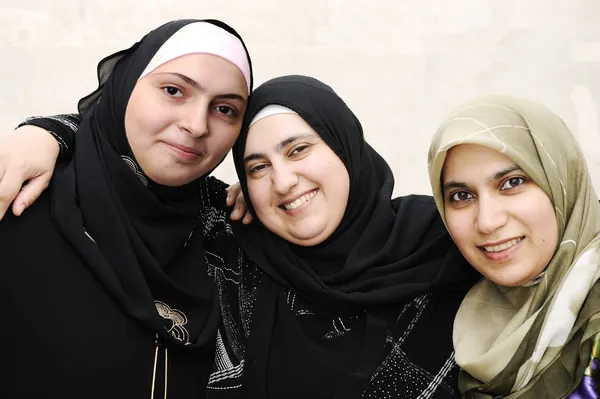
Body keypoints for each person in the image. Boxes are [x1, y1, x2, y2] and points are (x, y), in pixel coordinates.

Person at [0, 74, 478, 397]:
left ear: (347, 147)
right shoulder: (236, 254)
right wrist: (49, 133)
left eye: (299, 150)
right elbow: (130, 163)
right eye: (258, 167)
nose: (283, 181)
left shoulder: (449, 244)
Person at [0, 18, 254, 398]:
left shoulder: (233, 232)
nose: (197, 124)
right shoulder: (20, 201)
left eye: (225, 110)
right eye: (173, 90)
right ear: (125, 86)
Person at [427, 95, 600, 398]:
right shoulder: (451, 307)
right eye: (461, 196)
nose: (487, 222)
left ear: (561, 180)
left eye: (512, 182)